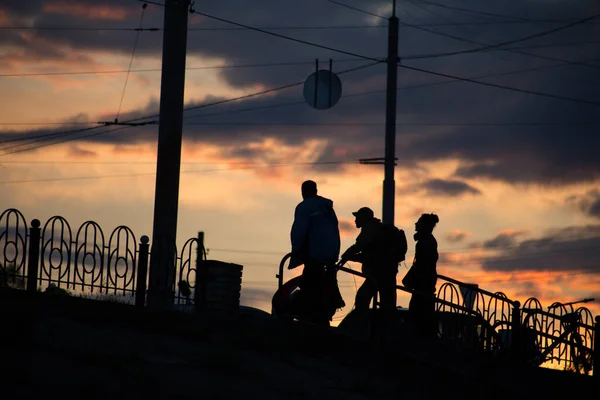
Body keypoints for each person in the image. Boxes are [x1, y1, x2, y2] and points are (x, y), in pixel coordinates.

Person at [289, 180, 342, 325]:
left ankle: (309, 313)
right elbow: (334, 230)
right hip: (330, 254)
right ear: (316, 190)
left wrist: (297, 252)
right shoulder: (328, 208)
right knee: (327, 282)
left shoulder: (304, 207)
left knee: (310, 283)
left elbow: (299, 230)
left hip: (315, 254)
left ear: (303, 192)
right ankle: (324, 312)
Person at [340, 207, 398, 315]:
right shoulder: (376, 229)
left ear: (363, 217)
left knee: (362, 299)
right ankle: (385, 328)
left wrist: (348, 254)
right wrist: (350, 257)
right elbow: (369, 254)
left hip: (377, 274)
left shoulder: (370, 228)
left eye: (357, 217)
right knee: (388, 305)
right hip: (387, 272)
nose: (355, 220)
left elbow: (359, 247)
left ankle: (362, 327)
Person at [408, 213, 439, 339]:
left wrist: (415, 278)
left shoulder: (425, 241)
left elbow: (422, 264)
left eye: (419, 222)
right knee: (422, 312)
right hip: (425, 282)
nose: (416, 224)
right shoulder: (427, 240)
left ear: (425, 226)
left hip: (423, 283)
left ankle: (422, 339)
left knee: (418, 312)